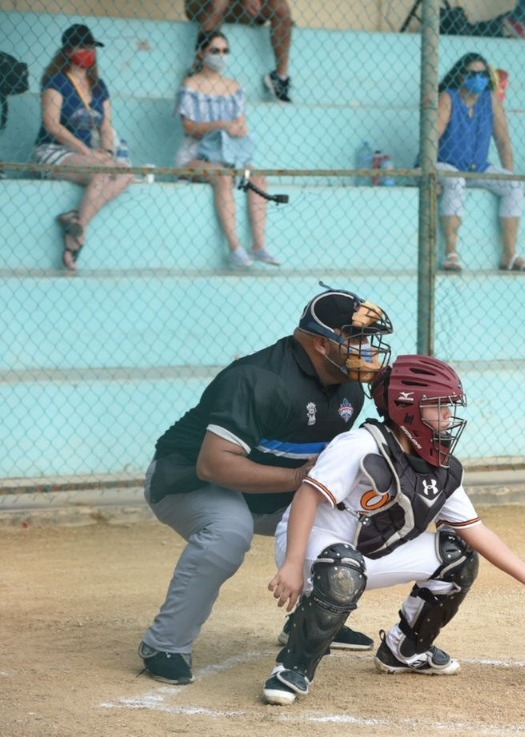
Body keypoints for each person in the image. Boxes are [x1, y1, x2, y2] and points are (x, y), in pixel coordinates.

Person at [261, 355, 525, 705]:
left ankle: (404, 649)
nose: (449, 415)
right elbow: (307, 497)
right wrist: (293, 564)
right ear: (408, 409)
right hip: (312, 543)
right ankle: (292, 667)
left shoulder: (436, 463)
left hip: (365, 554)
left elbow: (475, 529)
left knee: (457, 555)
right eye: (438, 406)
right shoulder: (360, 445)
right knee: (342, 568)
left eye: (449, 405)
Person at [137, 287, 394, 685]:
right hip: (185, 479)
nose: (366, 350)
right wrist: (296, 479)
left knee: (356, 512)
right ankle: (165, 643)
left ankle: (314, 620)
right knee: (228, 529)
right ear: (322, 344)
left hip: (268, 486)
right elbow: (212, 463)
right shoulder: (258, 379)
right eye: (356, 339)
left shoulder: (347, 387)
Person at [177, 30, 283, 269]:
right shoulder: (190, 86)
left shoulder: (234, 88)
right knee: (223, 178)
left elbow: (240, 122)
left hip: (230, 155)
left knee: (257, 177)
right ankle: (235, 247)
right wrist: (221, 125)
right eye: (215, 51)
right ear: (202, 53)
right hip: (196, 155)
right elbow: (189, 127)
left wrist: (238, 129)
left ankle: (259, 245)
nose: (221, 56)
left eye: (225, 51)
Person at [32, 24, 133, 272]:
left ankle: (78, 220)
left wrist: (107, 153)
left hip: (87, 155)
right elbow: (52, 125)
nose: (87, 52)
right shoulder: (56, 82)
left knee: (126, 173)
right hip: (52, 151)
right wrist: (87, 152)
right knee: (102, 171)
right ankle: (74, 240)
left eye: (90, 47)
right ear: (67, 50)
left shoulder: (99, 87)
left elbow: (106, 128)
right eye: (81, 47)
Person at [436, 52, 525, 273]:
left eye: (483, 74)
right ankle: (451, 251)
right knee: (455, 182)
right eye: (473, 73)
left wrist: (509, 174)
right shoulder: (448, 97)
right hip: (444, 164)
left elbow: (503, 141)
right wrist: (431, 174)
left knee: (515, 185)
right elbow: (431, 138)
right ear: (461, 75)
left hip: (477, 167)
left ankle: (509, 254)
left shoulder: (490, 100)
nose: (479, 78)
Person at [184, 0, 294, 103]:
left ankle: (280, 78)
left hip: (241, 9)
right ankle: (199, 69)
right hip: (205, 5)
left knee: (281, 7)